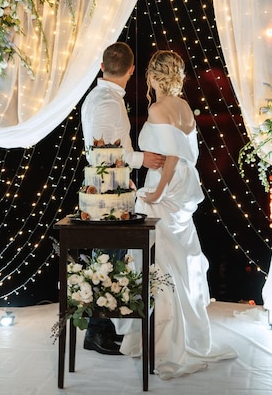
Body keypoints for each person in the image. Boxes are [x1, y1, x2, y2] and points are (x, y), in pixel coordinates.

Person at [117, 50, 238, 378]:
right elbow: (184, 153)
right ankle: (181, 332)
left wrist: (156, 192)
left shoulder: (158, 108)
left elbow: (171, 156)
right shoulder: (183, 105)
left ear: (152, 77)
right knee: (179, 258)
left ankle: (168, 342)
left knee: (162, 259)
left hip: (167, 187)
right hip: (185, 184)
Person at [80, 41, 165, 356]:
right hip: (105, 192)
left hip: (110, 186)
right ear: (131, 70)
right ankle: (96, 332)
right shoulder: (106, 102)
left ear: (103, 67)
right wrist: (144, 160)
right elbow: (106, 152)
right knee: (108, 259)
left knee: (111, 258)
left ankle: (103, 328)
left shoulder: (101, 97)